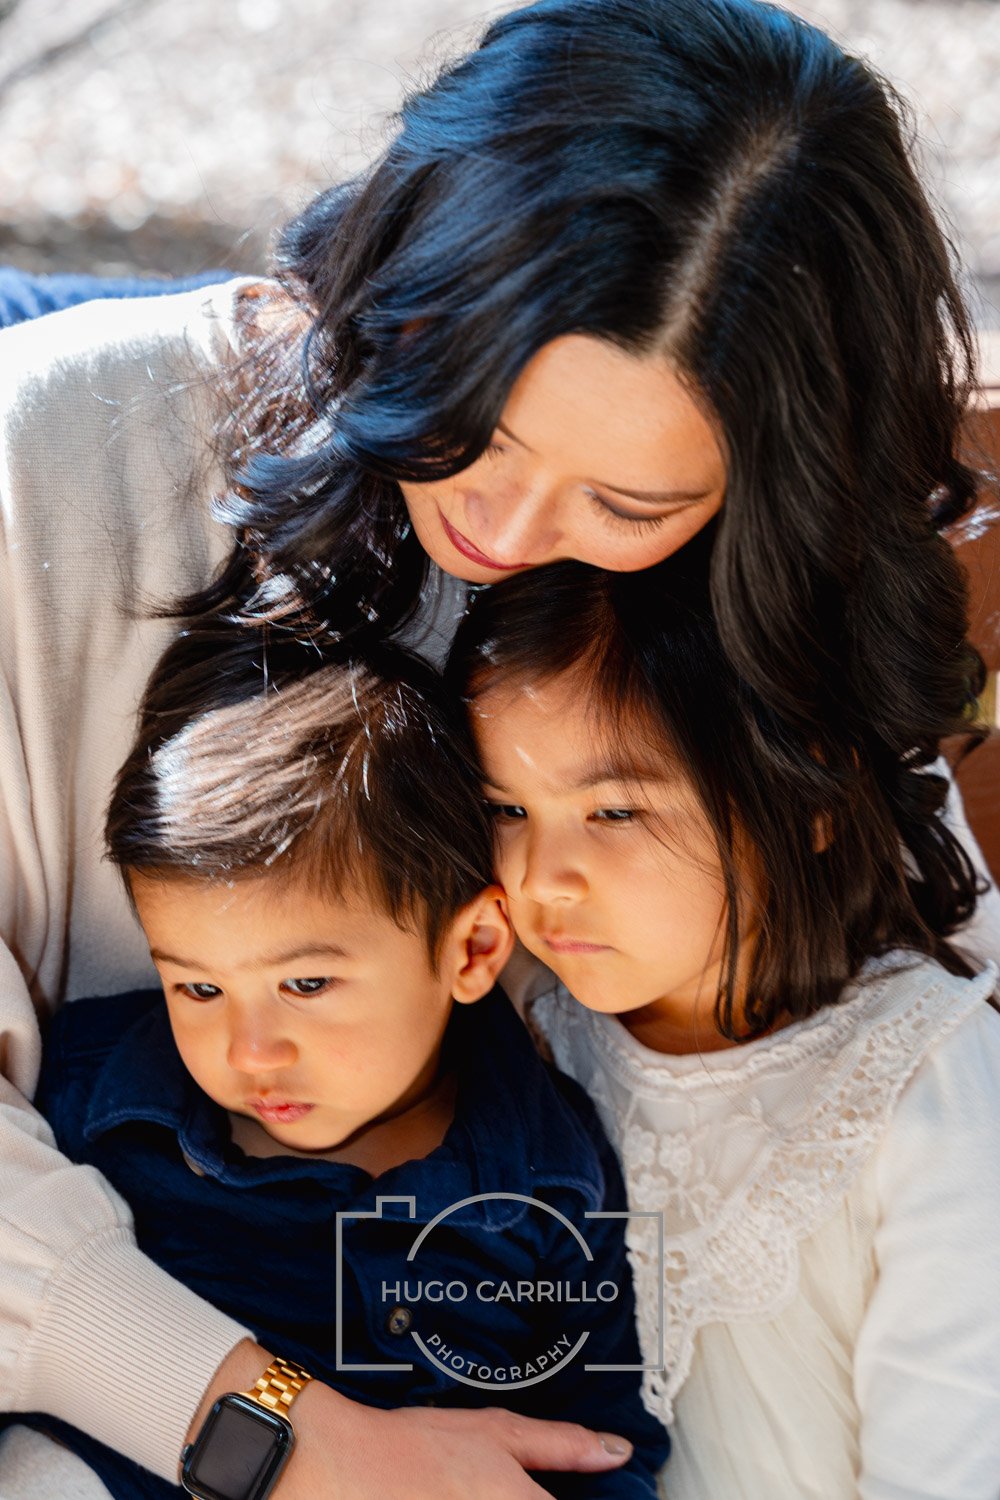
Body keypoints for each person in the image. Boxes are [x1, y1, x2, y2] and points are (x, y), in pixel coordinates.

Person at [1, 0, 998, 1494]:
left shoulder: (748, 604)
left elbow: (930, 1009)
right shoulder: (47, 461)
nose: (507, 538)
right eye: (471, 422)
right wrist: (296, 1441)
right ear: (411, 285)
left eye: (630, 508)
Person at [9, 636, 668, 1498]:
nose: (250, 1051)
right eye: (198, 987)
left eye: (307, 983)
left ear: (470, 949)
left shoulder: (549, 1187)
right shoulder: (91, 1101)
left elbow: (595, 1437)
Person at [450, 539, 1000, 1500]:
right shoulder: (530, 1034)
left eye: (614, 812)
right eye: (507, 808)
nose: (541, 878)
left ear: (808, 795)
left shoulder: (928, 1075)